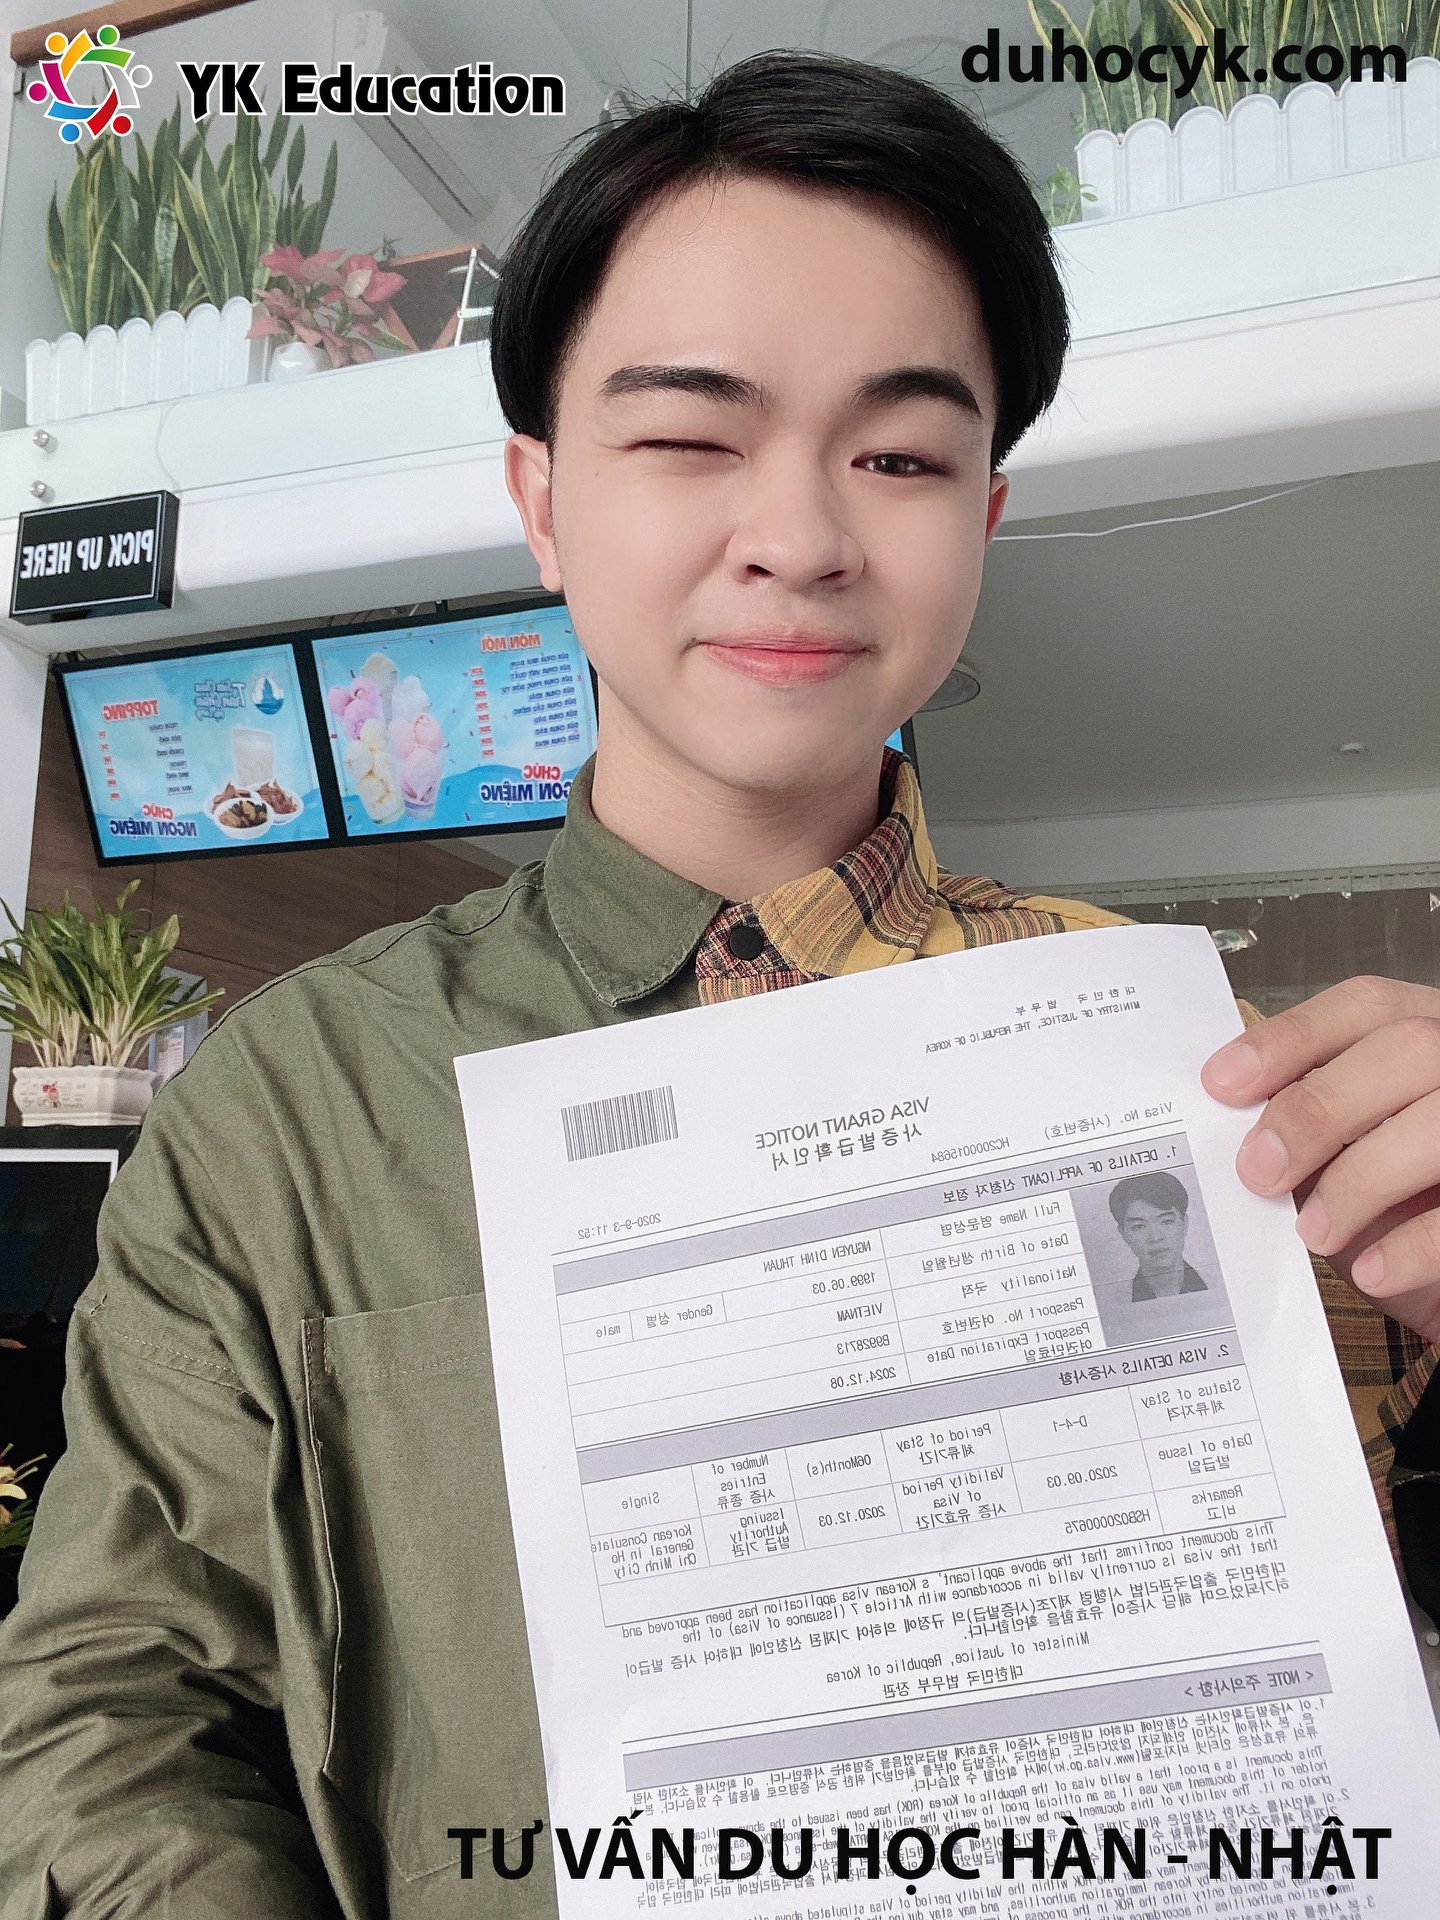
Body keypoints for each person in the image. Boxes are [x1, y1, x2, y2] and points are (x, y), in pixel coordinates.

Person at [2, 48, 1438, 1920]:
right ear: (541, 501)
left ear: (982, 522)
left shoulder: (1200, 1073)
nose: (804, 536)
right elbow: (109, 1716)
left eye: (901, 456)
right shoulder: (289, 1116)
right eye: (691, 438)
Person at [1107, 1170, 1209, 1301]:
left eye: (1166, 1221)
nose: (1155, 1238)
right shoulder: (1114, 1302)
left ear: (1184, 1223)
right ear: (1123, 1234)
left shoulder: (1218, 1285)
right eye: (1139, 1226)